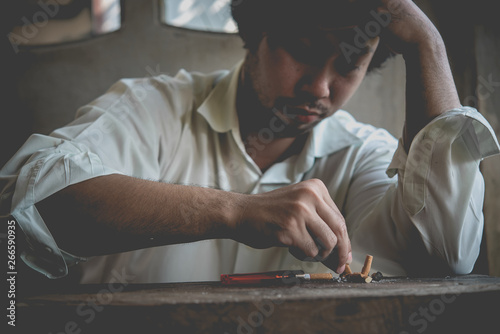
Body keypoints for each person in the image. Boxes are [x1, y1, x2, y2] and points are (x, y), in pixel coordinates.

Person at [1, 0, 499, 283]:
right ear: (254, 29)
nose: (320, 88)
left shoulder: (362, 155)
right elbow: (21, 209)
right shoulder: (152, 109)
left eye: (350, 63)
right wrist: (234, 211)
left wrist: (426, 42)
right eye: (302, 51)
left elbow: (449, 258)